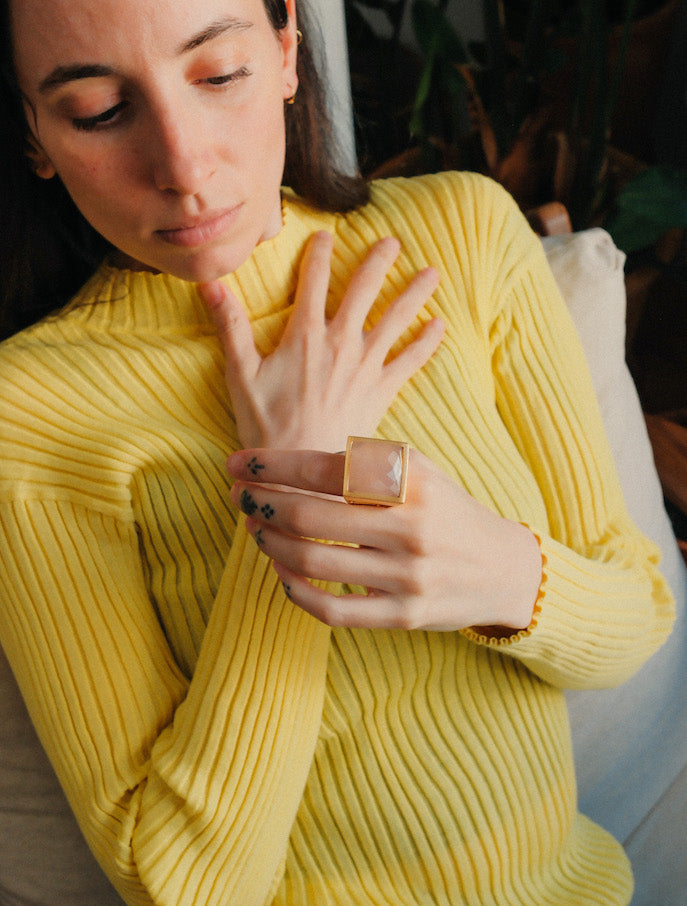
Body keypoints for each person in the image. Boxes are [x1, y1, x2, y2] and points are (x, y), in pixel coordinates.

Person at [0, 0, 675, 903]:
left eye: (218, 75)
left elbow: (633, 617)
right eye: (98, 112)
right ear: (35, 134)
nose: (183, 166)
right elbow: (186, 883)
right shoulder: (32, 408)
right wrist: (287, 477)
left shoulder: (461, 236)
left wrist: (496, 573)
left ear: (284, 51)